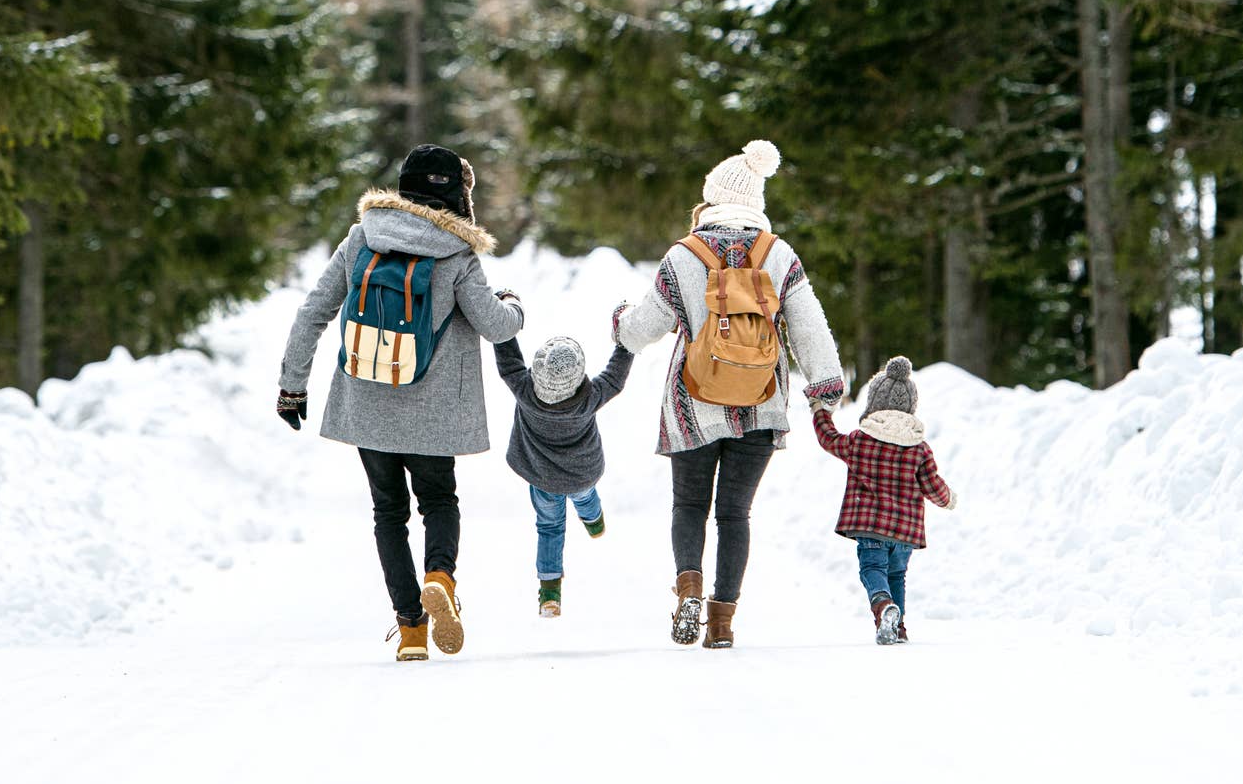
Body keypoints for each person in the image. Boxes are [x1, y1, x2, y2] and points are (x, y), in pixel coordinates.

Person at [275, 144, 524, 661]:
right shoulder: (457, 253)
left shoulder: (363, 238)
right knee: (438, 502)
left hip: (368, 403)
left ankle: (410, 629)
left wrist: (292, 386)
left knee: (388, 511)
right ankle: (440, 578)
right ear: (457, 194)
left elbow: (312, 313)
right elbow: (496, 326)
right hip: (435, 411)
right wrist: (514, 305)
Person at [614, 139, 847, 648]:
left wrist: (619, 324)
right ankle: (721, 624)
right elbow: (810, 328)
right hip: (762, 403)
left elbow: (642, 329)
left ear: (712, 198)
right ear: (756, 203)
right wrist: (825, 392)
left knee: (689, 506)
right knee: (735, 514)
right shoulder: (778, 254)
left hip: (692, 404)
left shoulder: (684, 255)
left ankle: (688, 590)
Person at [809, 356, 957, 645]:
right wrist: (948, 498)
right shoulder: (920, 448)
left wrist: (819, 410)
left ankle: (882, 606)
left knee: (873, 570)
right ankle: (898, 628)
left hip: (870, 527)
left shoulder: (860, 440)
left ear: (874, 402)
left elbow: (828, 439)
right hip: (905, 532)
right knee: (897, 575)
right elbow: (931, 485)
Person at [493, 332, 633, 617]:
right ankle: (594, 522)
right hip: (582, 475)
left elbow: (509, 361)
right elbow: (615, 378)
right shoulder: (590, 397)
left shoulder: (524, 390)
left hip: (542, 479)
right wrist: (626, 342)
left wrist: (502, 318)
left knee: (549, 528)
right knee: (586, 498)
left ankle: (550, 594)